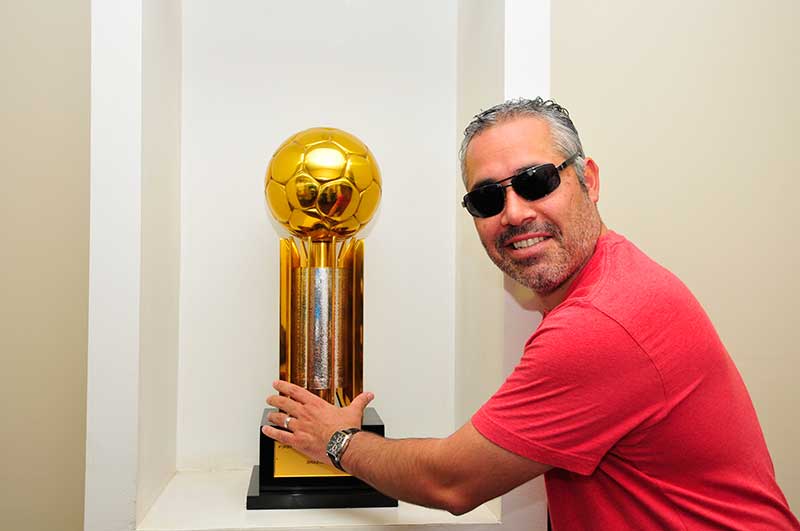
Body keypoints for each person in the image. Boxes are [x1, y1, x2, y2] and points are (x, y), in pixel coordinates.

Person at [262, 98, 799, 530]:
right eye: (487, 199)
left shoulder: (600, 323)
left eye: (536, 181)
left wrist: (338, 441)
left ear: (589, 180)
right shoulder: (608, 283)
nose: (514, 213)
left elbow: (452, 483)